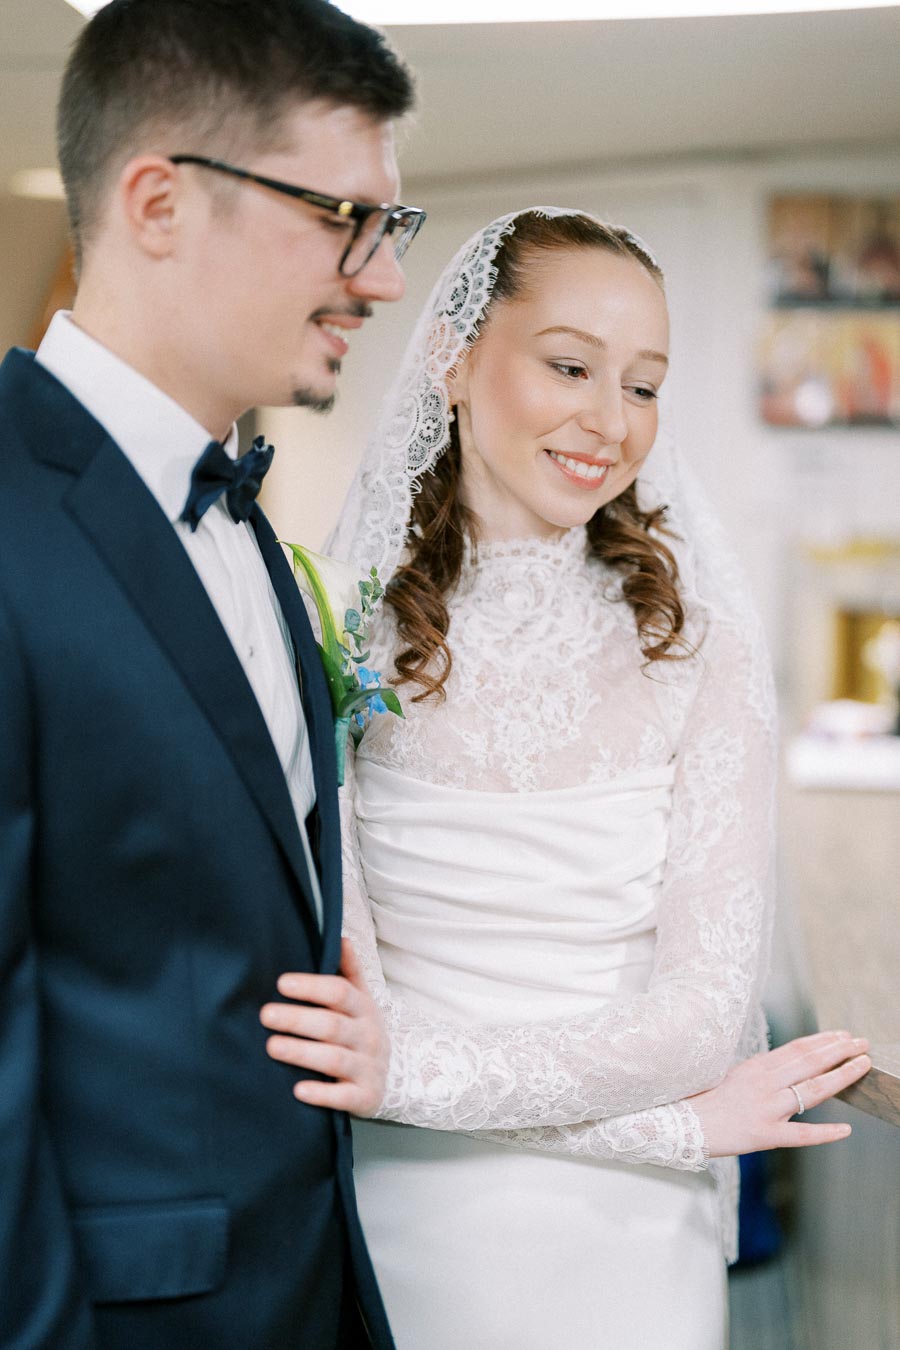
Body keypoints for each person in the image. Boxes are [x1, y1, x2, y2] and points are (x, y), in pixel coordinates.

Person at [261, 208, 871, 1349]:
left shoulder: (706, 650)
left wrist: (410, 1079)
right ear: (452, 360)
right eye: (570, 366)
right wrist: (681, 1130)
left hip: (629, 1248)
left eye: (643, 385)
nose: (610, 420)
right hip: (407, 1220)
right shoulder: (337, 630)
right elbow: (359, 1018)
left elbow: (696, 1027)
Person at [0, 1, 423, 1345]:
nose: (383, 276)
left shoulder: (242, 515)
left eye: (389, 227)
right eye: (343, 217)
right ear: (159, 200)